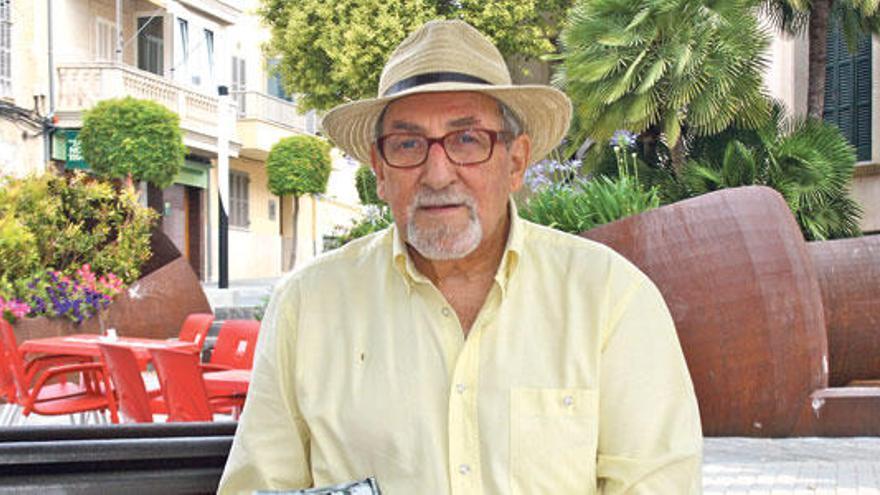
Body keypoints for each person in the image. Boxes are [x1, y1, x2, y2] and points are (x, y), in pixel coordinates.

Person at [219, 20, 702, 495]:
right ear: (380, 172)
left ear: (515, 162)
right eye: (408, 144)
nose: (437, 172)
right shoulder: (310, 306)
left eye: (467, 139)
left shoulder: (610, 298)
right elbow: (259, 486)